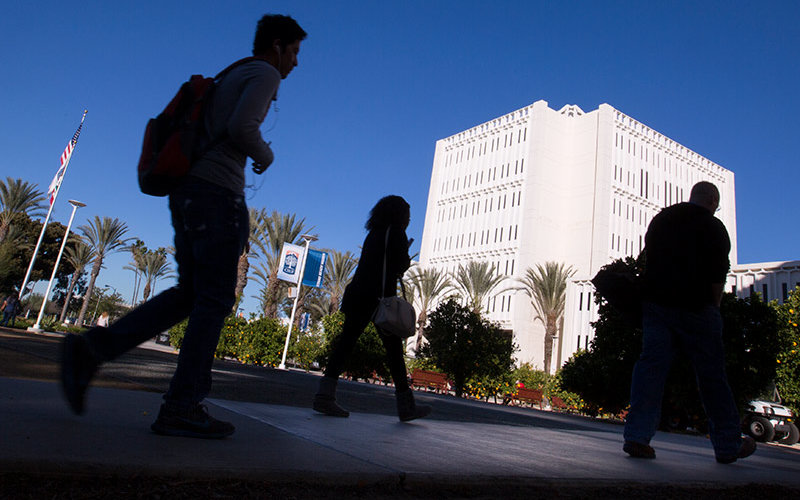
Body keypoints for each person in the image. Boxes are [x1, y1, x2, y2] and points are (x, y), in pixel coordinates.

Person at [60, 14, 307, 439]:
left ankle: (91, 350)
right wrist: (265, 155)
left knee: (188, 295)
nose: (296, 63)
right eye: (295, 53)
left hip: (189, 190)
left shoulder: (234, 72)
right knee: (212, 301)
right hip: (216, 195)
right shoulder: (265, 72)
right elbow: (241, 127)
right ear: (278, 46)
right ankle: (182, 405)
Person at [623, 181, 756, 464]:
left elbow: (649, 262)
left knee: (651, 369)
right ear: (711, 200)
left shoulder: (662, 220)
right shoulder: (714, 228)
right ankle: (728, 444)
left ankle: (637, 436)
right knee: (712, 377)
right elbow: (717, 277)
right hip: (697, 308)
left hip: (657, 305)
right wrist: (714, 309)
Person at [313, 196, 431, 422]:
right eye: (407, 215)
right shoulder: (396, 233)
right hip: (378, 300)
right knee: (394, 353)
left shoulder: (373, 233)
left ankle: (324, 394)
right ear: (398, 215)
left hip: (358, 294)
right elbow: (399, 266)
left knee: (345, 344)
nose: (408, 219)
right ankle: (405, 406)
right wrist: (405, 253)